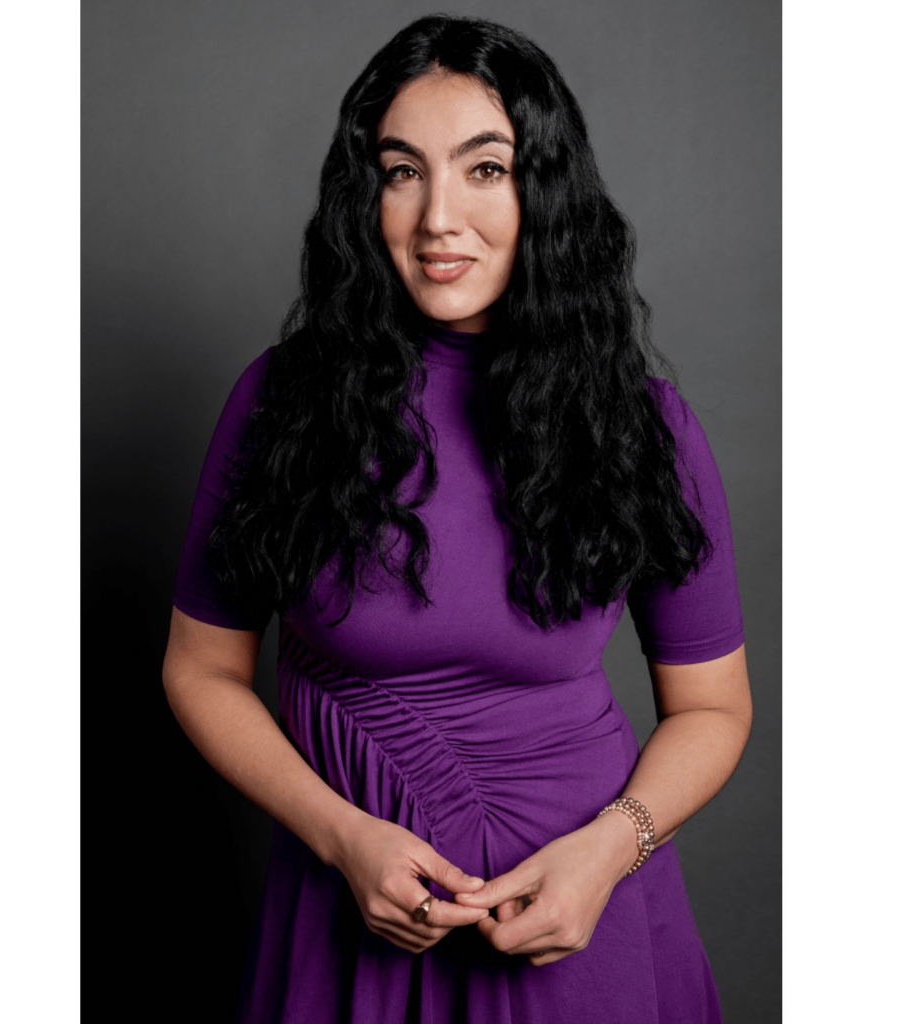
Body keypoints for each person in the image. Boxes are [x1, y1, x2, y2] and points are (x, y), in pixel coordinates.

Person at [163, 14, 751, 1023]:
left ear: (545, 191)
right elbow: (199, 668)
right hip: (350, 914)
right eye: (402, 171)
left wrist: (610, 853)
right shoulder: (281, 403)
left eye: (486, 169)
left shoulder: (638, 423)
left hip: (588, 921)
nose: (440, 216)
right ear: (366, 196)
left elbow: (713, 707)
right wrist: (341, 836)